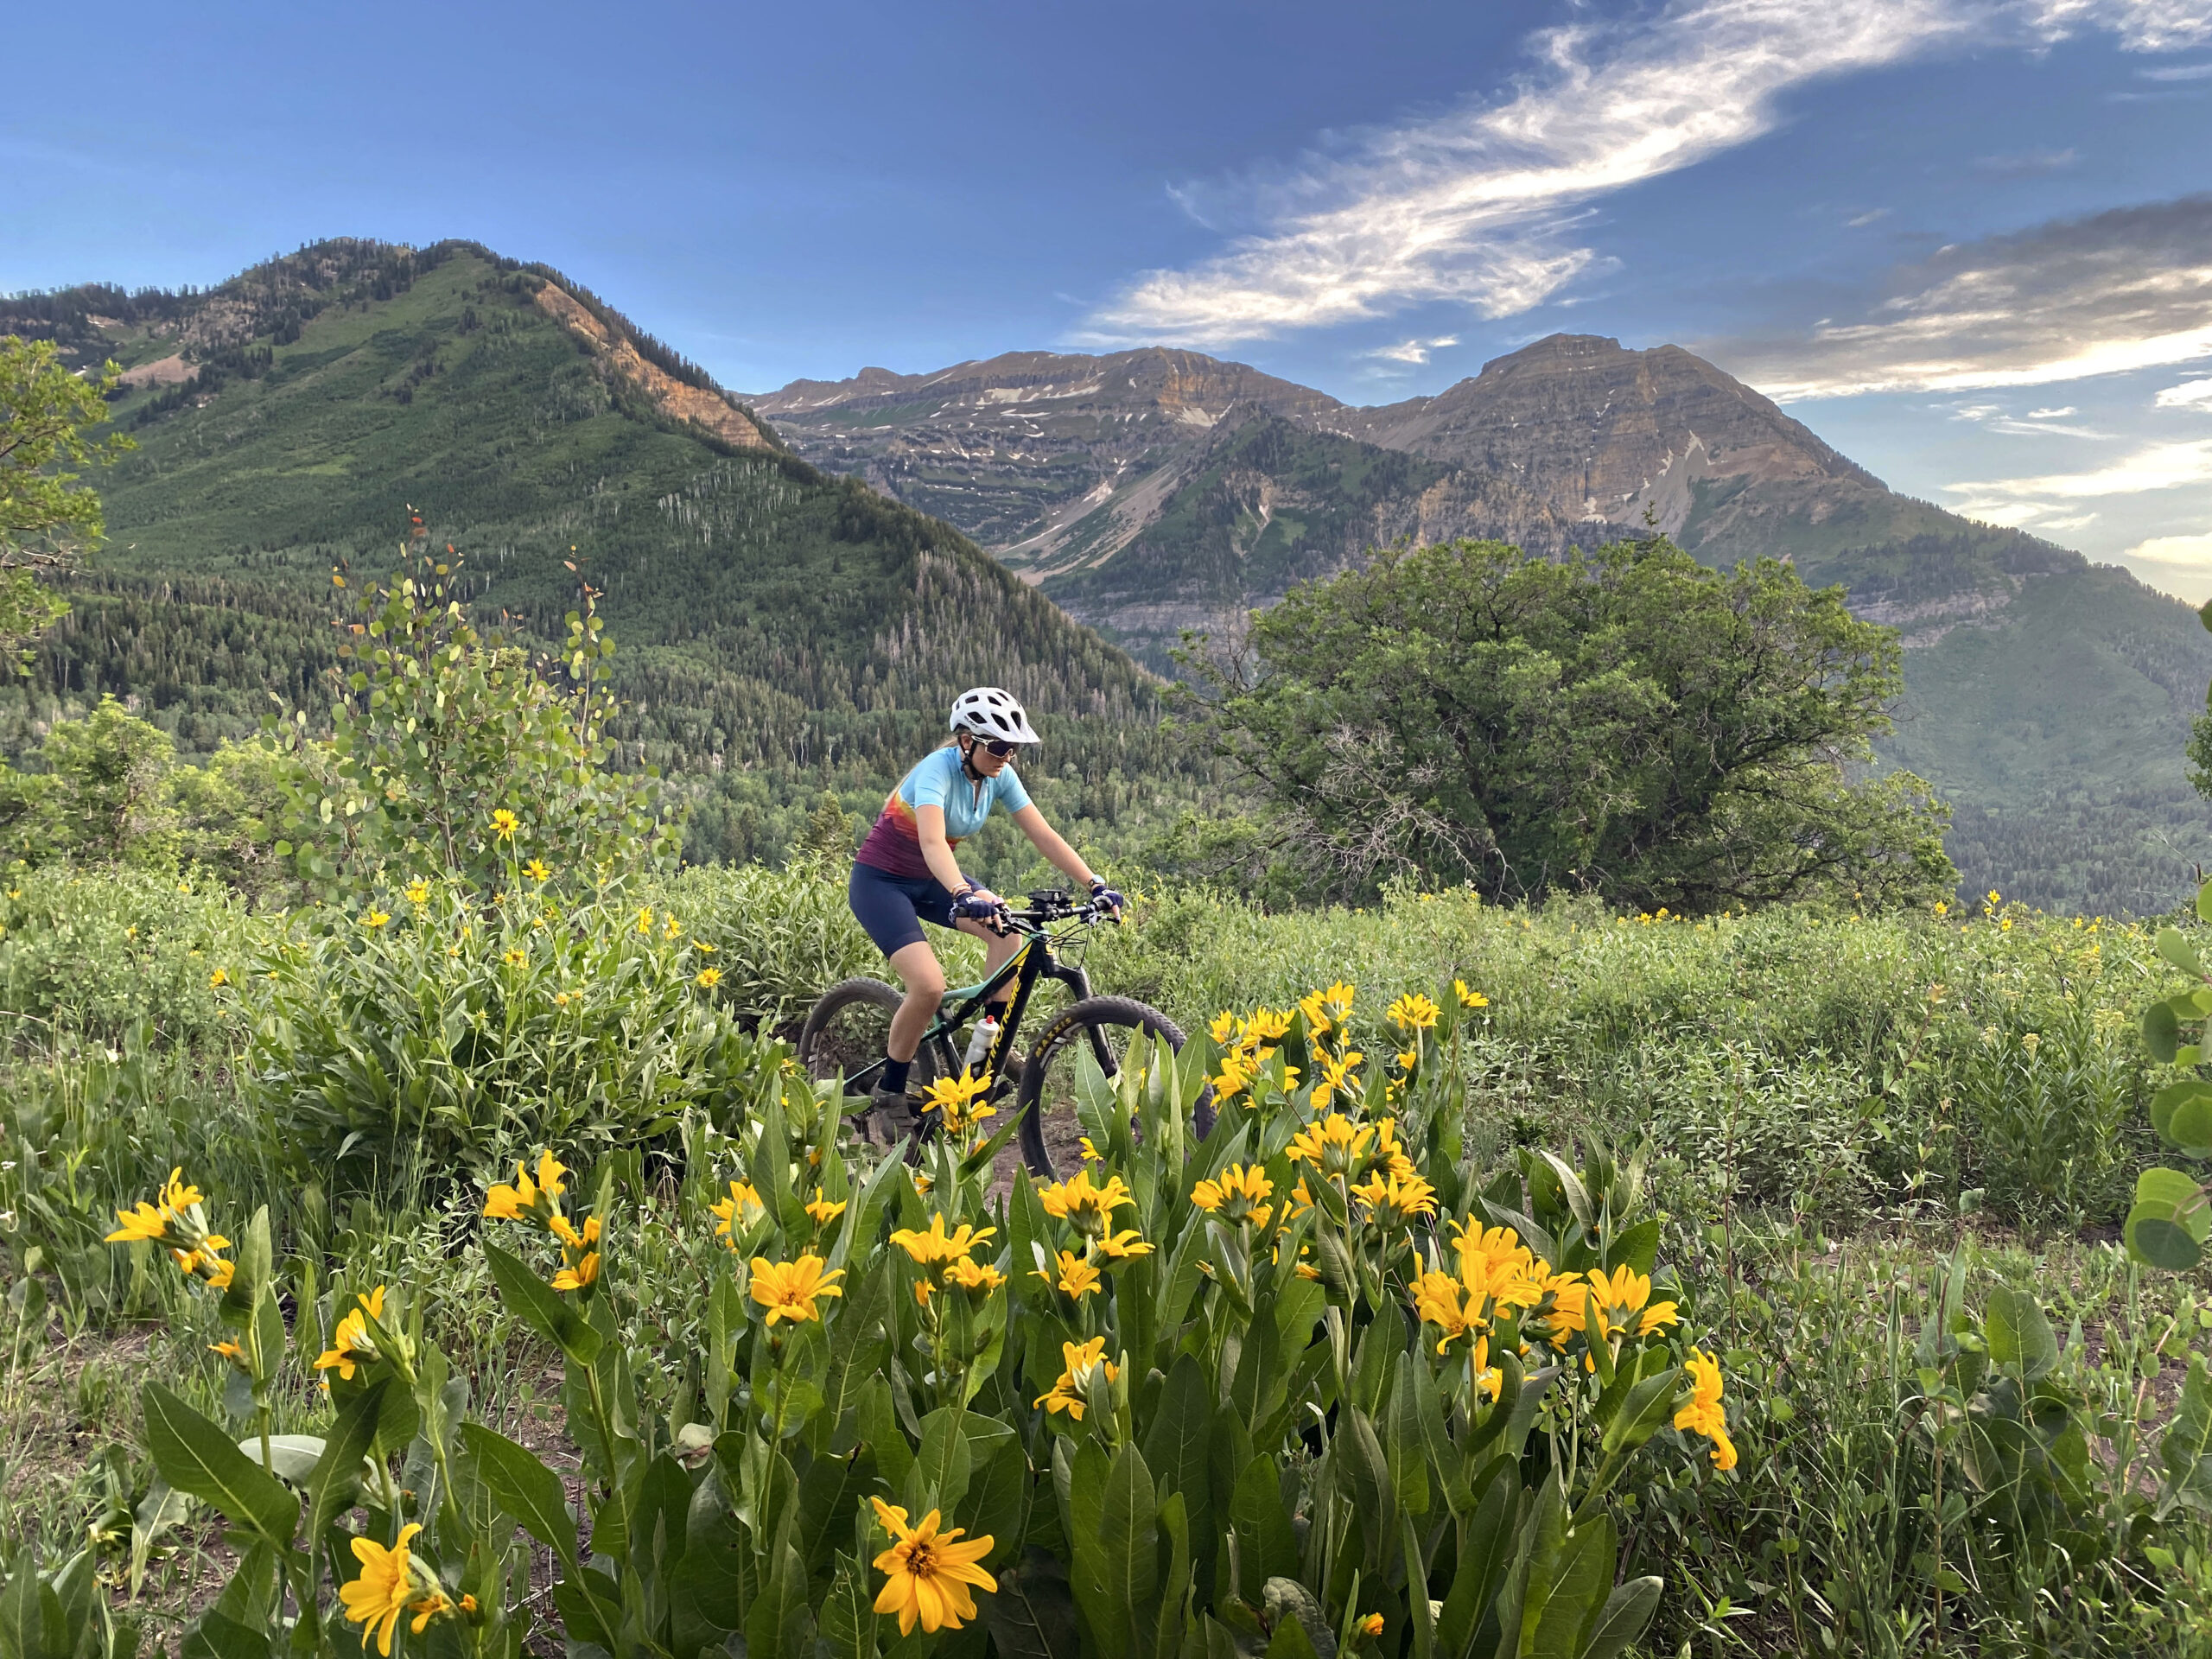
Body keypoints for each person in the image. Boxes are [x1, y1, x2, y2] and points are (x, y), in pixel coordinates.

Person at [848, 686, 1122, 1119]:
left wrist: (1095, 884)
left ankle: (982, 1061)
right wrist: (963, 893)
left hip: (934, 879)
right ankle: (890, 1090)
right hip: (882, 883)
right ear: (966, 740)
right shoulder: (935, 772)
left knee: (1010, 932)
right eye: (998, 746)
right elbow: (934, 842)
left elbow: (1044, 835)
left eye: (1013, 748)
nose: (1007, 755)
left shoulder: (999, 775)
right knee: (928, 985)